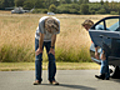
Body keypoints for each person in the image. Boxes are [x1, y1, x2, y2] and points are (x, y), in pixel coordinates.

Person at [33, 16, 60, 85]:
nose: (50, 32)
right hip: (39, 39)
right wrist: (40, 48)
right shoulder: (42, 22)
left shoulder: (57, 23)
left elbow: (54, 36)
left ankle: (52, 79)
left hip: (50, 40)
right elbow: (42, 36)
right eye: (49, 30)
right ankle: (38, 79)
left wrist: (52, 48)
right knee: (38, 59)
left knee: (52, 58)